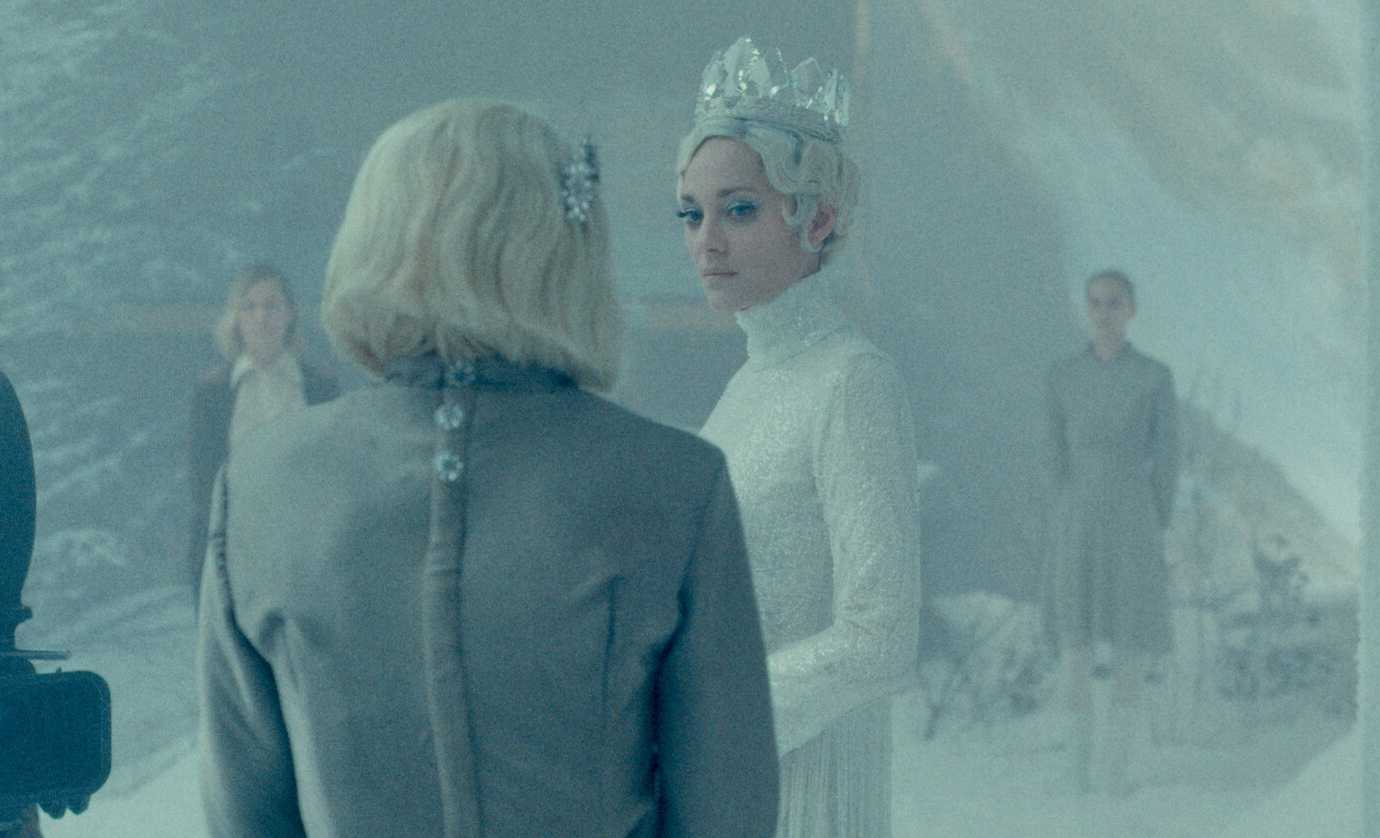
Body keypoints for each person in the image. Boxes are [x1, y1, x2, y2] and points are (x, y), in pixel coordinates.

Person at [198, 98, 780, 837]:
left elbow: (245, 814)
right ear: (569, 248)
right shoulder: (676, 480)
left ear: (374, 238)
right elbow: (728, 814)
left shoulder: (261, 483)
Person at [677, 37, 921, 837]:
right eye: (692, 213)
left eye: (739, 209)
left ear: (816, 217)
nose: (707, 240)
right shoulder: (744, 387)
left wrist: (705, 720)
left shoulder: (853, 382)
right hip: (726, 792)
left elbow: (881, 635)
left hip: (807, 795)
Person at [1044, 268, 1179, 794]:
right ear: (1086, 309)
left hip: (1132, 521)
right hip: (1077, 521)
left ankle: (1116, 772)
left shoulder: (1154, 377)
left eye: (1115, 302)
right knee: (1075, 645)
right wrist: (1065, 514)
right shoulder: (1062, 377)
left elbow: (1166, 460)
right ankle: (1075, 774)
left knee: (1130, 643)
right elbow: (1053, 456)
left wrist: (1151, 519)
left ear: (1132, 309)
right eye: (1096, 302)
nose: (1104, 313)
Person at [186, 264, 338, 588]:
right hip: (232, 556)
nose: (261, 317)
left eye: (271, 305)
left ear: (290, 314)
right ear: (236, 318)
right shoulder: (211, 393)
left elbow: (331, 475)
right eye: (249, 307)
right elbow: (204, 484)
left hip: (304, 555)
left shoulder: (321, 388)